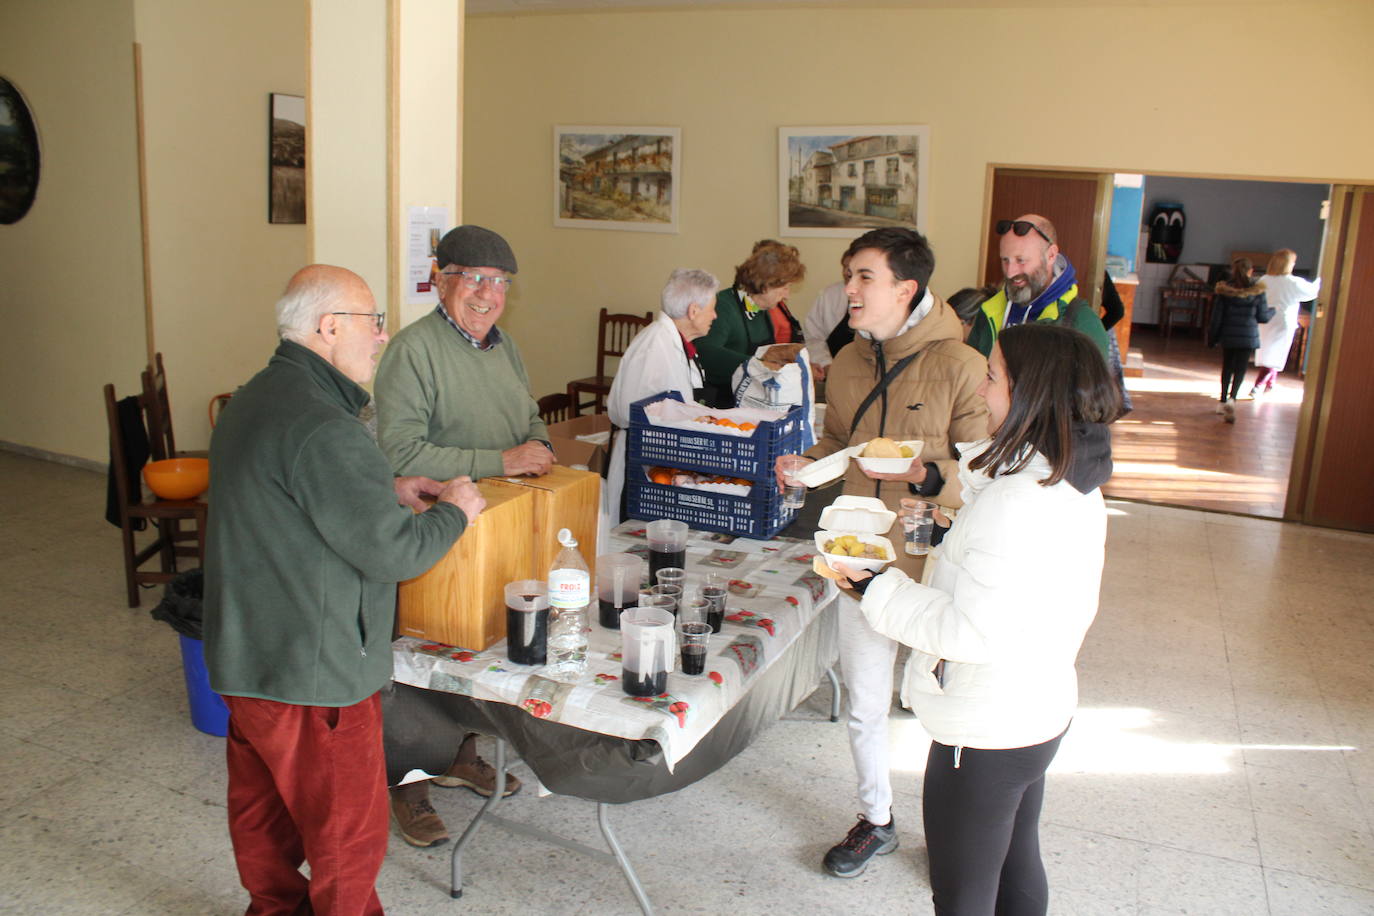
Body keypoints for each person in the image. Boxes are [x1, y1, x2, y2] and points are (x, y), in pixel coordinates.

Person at [204, 265, 485, 915]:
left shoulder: (254, 398)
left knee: (262, 816)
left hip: (247, 656)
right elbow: (392, 553)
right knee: (346, 838)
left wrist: (381, 492)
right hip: (316, 671)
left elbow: (280, 501)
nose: (383, 336)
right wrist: (454, 512)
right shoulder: (327, 428)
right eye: (373, 320)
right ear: (329, 328)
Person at [835, 322, 1120, 915]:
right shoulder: (1064, 477)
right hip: (1035, 705)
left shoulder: (1018, 502)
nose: (984, 389)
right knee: (1016, 865)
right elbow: (1014, 583)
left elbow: (970, 631)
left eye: (993, 377)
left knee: (962, 894)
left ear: (1028, 394)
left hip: (986, 727)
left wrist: (875, 588)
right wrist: (953, 533)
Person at [773, 227, 989, 879]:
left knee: (944, 701)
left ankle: (964, 831)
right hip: (858, 549)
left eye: (865, 276)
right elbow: (837, 440)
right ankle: (876, 820)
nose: (850, 289)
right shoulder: (846, 362)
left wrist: (925, 477)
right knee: (866, 700)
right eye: (848, 274)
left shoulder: (961, 365)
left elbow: (983, 470)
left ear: (907, 288)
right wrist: (803, 463)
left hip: (937, 557)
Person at [374, 224, 548, 846]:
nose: (487, 294)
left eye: (499, 283)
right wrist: (504, 460)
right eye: (473, 278)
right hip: (430, 528)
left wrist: (541, 445)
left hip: (493, 527)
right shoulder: (413, 350)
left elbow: (528, 416)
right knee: (419, 655)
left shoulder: (504, 346)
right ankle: (404, 785)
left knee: (475, 646)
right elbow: (400, 450)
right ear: (441, 279)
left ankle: (456, 756)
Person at [603, 267, 719, 527]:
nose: (715, 315)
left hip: (662, 460)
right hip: (640, 463)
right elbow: (625, 412)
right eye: (712, 307)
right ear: (693, 310)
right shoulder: (655, 345)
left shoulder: (674, 342)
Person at [967, 214, 1112, 360]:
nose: (1010, 272)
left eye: (1021, 260)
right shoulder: (988, 312)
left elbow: (1096, 382)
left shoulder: (1081, 323)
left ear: (1051, 255)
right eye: (1005, 260)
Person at [696, 239, 807, 407]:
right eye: (785, 288)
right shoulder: (724, 306)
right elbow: (706, 352)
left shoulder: (762, 311)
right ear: (767, 284)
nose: (787, 295)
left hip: (748, 404)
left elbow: (762, 353)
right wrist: (757, 365)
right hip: (719, 406)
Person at [1208, 257, 1273, 423]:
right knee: (1240, 369)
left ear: (1233, 270)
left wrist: (1212, 338)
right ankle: (1233, 399)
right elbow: (1263, 317)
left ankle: (1222, 401)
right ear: (1251, 271)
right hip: (1248, 337)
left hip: (1228, 335)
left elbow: (1217, 318)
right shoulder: (1258, 291)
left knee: (1227, 367)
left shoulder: (1224, 291)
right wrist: (1273, 311)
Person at [1253, 248, 1319, 397]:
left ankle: (1270, 384)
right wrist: (1321, 280)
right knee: (1276, 355)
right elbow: (1312, 292)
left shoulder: (1264, 279)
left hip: (1264, 320)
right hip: (1283, 321)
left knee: (1267, 354)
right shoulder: (1293, 282)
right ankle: (1259, 385)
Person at [802, 253, 855, 380]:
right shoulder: (829, 295)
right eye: (845, 267)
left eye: (852, 269)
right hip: (831, 372)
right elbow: (813, 337)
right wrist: (826, 364)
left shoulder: (879, 297)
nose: (847, 273)